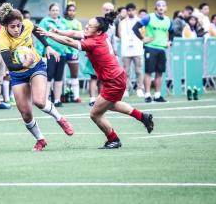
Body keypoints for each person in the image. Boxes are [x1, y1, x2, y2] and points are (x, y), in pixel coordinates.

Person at [39, 13, 154, 149]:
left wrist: (49, 34)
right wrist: (58, 31)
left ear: (98, 31)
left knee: (95, 114)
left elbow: (70, 41)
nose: (86, 27)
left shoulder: (94, 42)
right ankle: (142, 117)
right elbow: (75, 33)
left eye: (90, 26)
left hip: (113, 81)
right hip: (116, 77)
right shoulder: (99, 35)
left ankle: (113, 139)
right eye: (87, 24)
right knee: (111, 104)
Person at [0, 3, 74, 151]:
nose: (16, 29)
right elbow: (10, 65)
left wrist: (47, 46)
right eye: (12, 26)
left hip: (36, 67)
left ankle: (60, 119)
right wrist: (24, 64)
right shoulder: (2, 39)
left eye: (18, 26)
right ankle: (40, 140)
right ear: (6, 26)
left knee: (39, 101)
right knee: (25, 113)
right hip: (18, 74)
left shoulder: (26, 24)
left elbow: (36, 30)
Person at [132, 0, 174, 103]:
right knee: (148, 72)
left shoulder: (168, 20)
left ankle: (157, 95)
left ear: (166, 8)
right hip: (150, 47)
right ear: (155, 7)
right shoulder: (149, 17)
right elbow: (135, 27)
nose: (161, 7)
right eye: (159, 5)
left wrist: (170, 42)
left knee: (159, 72)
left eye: (163, 5)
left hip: (162, 49)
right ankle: (147, 95)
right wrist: (142, 38)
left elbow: (172, 32)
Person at [37, 3, 68, 107]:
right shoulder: (45, 21)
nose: (55, 12)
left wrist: (68, 50)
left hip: (62, 53)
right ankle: (45, 100)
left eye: (57, 10)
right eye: (53, 10)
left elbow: (67, 36)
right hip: (49, 53)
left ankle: (57, 100)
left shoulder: (64, 22)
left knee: (59, 77)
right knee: (48, 76)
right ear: (50, 11)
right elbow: (39, 37)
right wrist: (40, 53)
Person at [118, 3, 144, 97]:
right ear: (126, 11)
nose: (130, 12)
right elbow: (120, 34)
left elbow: (143, 34)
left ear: (135, 11)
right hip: (126, 49)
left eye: (132, 10)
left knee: (139, 70)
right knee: (126, 71)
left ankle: (140, 89)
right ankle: (125, 89)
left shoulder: (140, 21)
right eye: (129, 10)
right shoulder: (122, 22)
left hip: (137, 49)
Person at [64, 2, 82, 103]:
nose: (71, 12)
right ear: (66, 11)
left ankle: (76, 96)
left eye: (73, 10)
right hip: (62, 51)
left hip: (73, 51)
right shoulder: (62, 22)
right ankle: (62, 94)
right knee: (60, 75)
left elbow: (79, 36)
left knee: (74, 74)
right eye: (69, 10)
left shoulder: (78, 23)